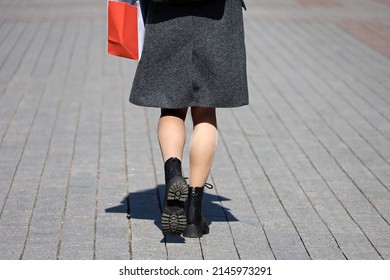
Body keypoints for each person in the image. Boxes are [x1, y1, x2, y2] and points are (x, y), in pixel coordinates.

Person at [129, 0, 248, 238]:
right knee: (205, 111)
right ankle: (193, 214)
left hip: (166, 13)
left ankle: (173, 171)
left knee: (171, 110)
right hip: (218, 15)